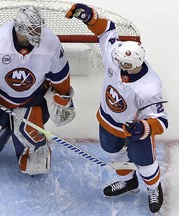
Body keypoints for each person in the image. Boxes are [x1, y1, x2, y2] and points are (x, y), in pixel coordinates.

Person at [66, 3, 168, 214]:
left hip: (135, 130)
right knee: (114, 153)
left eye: (124, 65)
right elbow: (106, 31)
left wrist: (143, 128)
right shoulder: (115, 56)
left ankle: (153, 188)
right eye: (118, 61)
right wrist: (89, 17)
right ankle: (128, 182)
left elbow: (160, 120)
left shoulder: (149, 87)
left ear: (134, 64)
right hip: (108, 121)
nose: (118, 65)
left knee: (145, 162)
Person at [0, 5, 75, 175]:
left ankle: (34, 151)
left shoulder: (51, 43)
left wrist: (62, 95)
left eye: (38, 29)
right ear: (20, 29)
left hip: (31, 100)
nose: (37, 33)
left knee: (30, 138)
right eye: (32, 29)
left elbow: (61, 75)